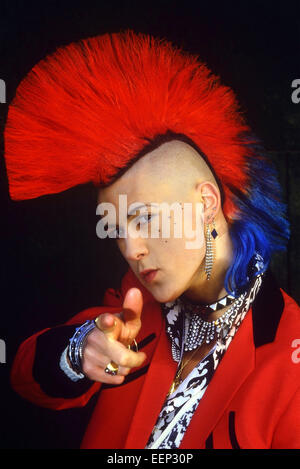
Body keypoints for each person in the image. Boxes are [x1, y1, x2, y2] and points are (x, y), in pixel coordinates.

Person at [4, 30, 300, 449]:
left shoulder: (289, 351)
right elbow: (25, 374)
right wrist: (78, 351)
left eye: (144, 219)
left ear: (205, 203)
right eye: (118, 228)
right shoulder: (130, 310)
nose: (131, 248)